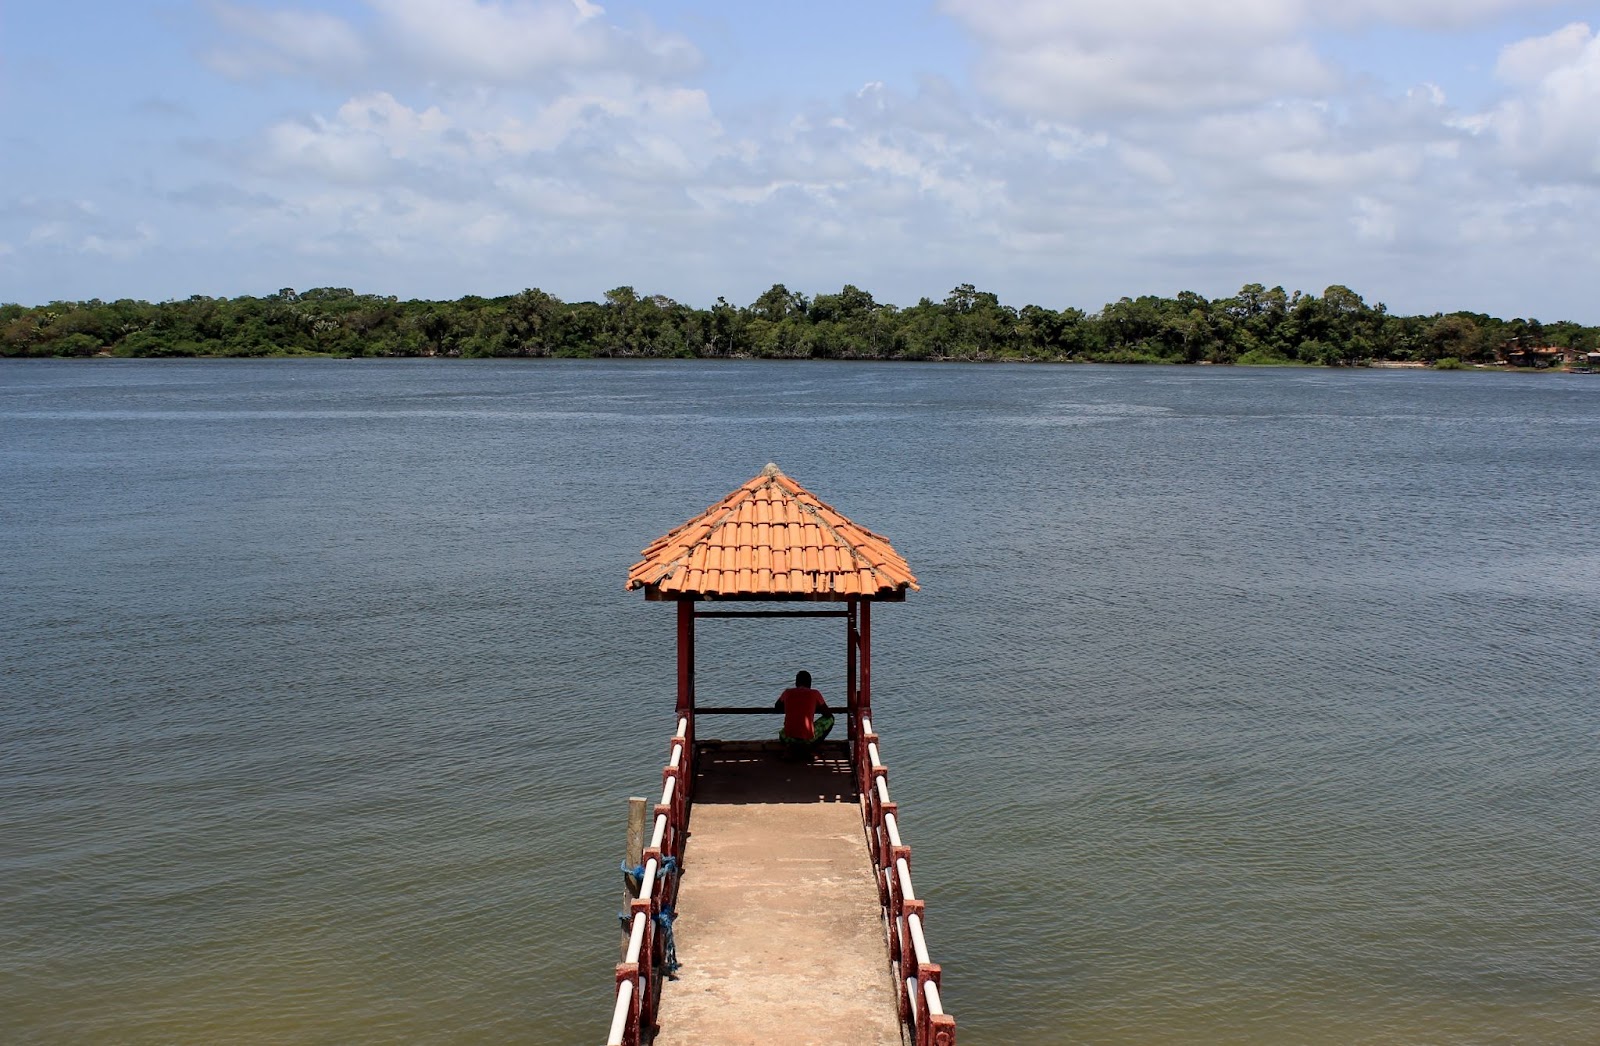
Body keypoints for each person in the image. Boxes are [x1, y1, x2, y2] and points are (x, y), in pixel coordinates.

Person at [775, 670, 833, 759]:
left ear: (796, 683)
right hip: (808, 740)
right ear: (810, 684)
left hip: (786, 738)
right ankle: (809, 749)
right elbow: (828, 714)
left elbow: (777, 706)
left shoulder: (787, 692)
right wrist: (813, 707)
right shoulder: (815, 693)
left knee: (784, 732)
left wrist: (792, 706)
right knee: (831, 719)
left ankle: (791, 749)